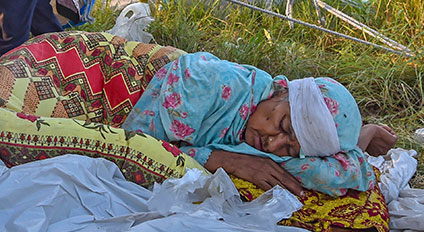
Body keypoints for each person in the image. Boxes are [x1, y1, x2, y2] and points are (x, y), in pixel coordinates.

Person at [122, 51, 398, 197]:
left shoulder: (265, 145)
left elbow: (333, 176)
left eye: (290, 149)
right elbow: (133, 150)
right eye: (284, 125)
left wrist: (360, 138)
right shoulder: (210, 83)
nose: (273, 143)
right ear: (281, 91)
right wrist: (226, 160)